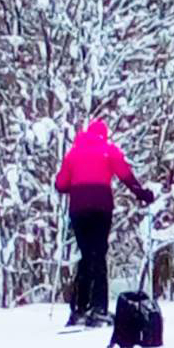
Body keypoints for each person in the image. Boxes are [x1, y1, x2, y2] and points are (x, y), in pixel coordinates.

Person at [54, 120, 155, 327]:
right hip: (101, 208)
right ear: (104, 135)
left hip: (79, 210)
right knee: (98, 255)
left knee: (86, 255)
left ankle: (79, 308)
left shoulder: (73, 153)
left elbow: (60, 184)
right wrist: (142, 194)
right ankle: (98, 309)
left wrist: (76, 183)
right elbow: (126, 175)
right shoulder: (108, 151)